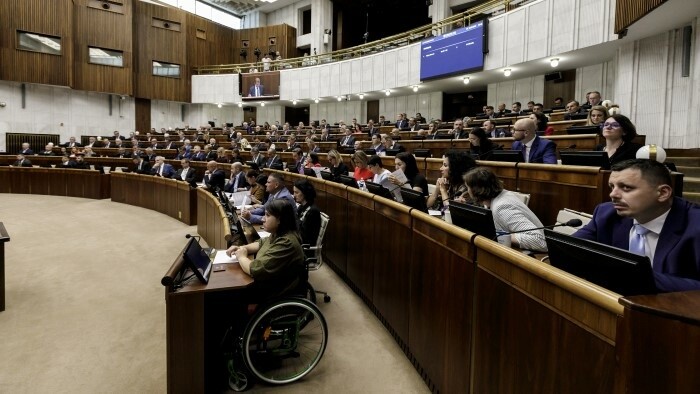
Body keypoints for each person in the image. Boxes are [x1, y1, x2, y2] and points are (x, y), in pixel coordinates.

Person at [573, 159, 700, 292]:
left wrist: (633, 275)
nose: (613, 194)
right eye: (612, 186)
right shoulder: (606, 214)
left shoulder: (695, 225)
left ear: (663, 193)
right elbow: (569, 249)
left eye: (626, 188)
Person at [225, 199, 306, 301]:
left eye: (267, 215)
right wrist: (243, 248)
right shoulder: (279, 233)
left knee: (226, 294)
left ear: (280, 220)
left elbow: (254, 270)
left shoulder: (287, 242)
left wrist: (241, 256)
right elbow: (261, 243)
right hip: (267, 283)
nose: (263, 219)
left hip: (273, 291)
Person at [463, 167, 547, 252]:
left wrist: (500, 236)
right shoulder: (498, 196)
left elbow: (539, 240)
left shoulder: (501, 207)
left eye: (468, 188)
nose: (467, 191)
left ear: (476, 190)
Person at [293, 179, 322, 246]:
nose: (294, 195)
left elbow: (305, 236)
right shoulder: (301, 207)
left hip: (304, 248)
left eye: (297, 193)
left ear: (305, 193)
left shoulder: (312, 211)